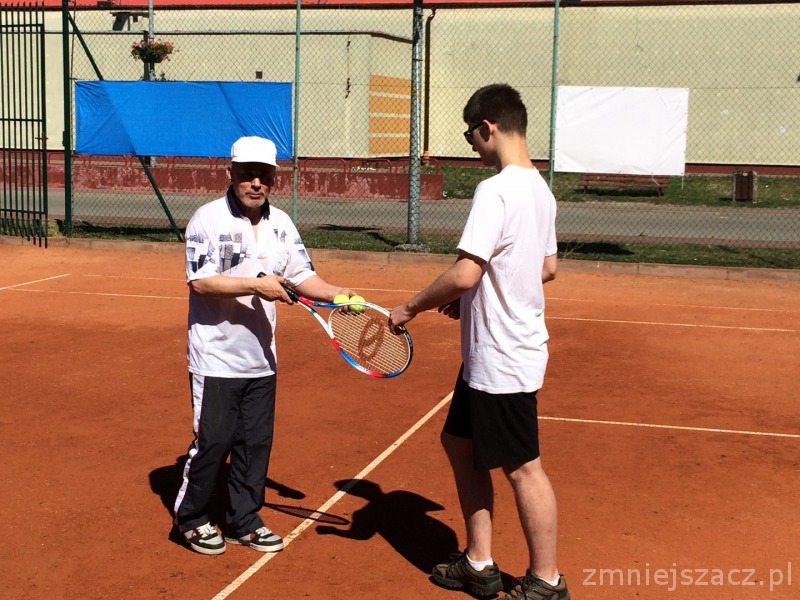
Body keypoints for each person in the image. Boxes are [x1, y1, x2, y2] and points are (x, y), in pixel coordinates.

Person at [388, 85, 569, 599]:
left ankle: (546, 582)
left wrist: (412, 307)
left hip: (503, 356)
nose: (472, 147)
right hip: (491, 355)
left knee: (523, 468)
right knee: (458, 443)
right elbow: (545, 269)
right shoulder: (541, 190)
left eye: (471, 138)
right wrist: (473, 296)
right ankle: (478, 562)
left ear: (487, 127)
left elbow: (467, 271)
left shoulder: (496, 190)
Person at [174, 135, 357, 555]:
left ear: (274, 178)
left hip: (262, 359)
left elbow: (303, 277)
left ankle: (244, 519)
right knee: (213, 440)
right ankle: (192, 518)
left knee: (255, 444)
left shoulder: (281, 225)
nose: (256, 183)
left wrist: (339, 295)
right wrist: (257, 285)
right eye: (247, 174)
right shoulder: (207, 219)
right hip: (216, 355)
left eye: (264, 175)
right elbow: (201, 282)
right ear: (230, 173)